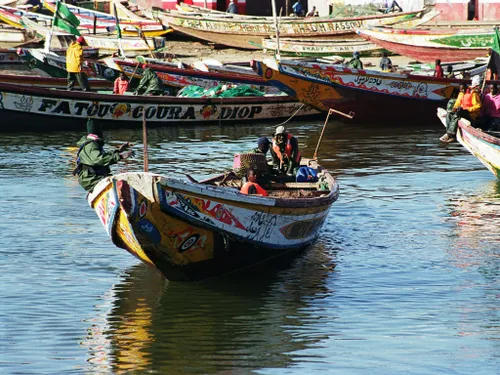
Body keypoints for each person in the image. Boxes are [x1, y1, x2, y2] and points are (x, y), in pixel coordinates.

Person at [73, 119, 134, 192]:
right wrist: (120, 156)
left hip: (95, 177)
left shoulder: (92, 144)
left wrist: (119, 151)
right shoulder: (90, 145)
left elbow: (103, 155)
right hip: (91, 179)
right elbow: (99, 159)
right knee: (121, 184)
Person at [440, 76, 482, 143]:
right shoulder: (461, 94)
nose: (462, 90)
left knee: (457, 114)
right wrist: (455, 108)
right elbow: (458, 103)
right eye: (461, 89)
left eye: (463, 89)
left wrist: (468, 109)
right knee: (450, 113)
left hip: (471, 115)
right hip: (462, 111)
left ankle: (451, 134)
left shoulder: (473, 94)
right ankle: (448, 133)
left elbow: (478, 106)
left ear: (466, 88)